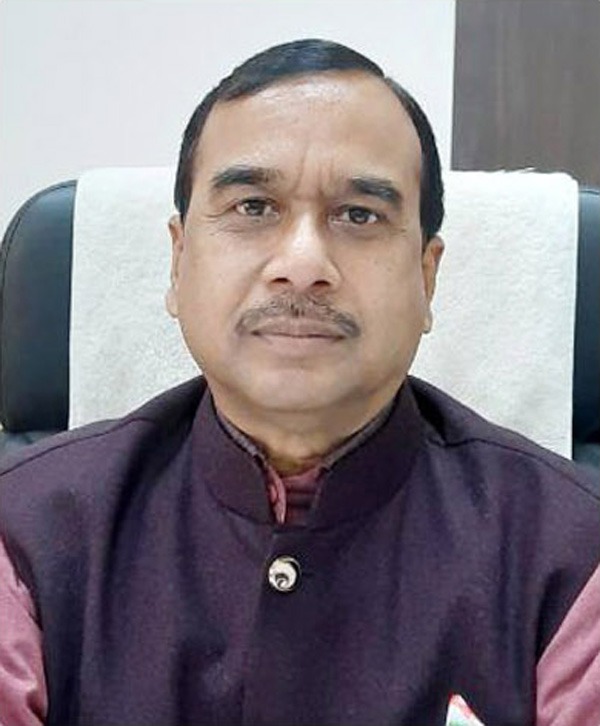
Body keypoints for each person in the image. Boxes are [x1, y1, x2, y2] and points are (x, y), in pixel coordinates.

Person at [0, 38, 599, 726]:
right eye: (254, 207)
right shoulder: (23, 534)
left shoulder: (573, 557)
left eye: (360, 215)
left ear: (427, 277)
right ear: (178, 261)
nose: (304, 263)